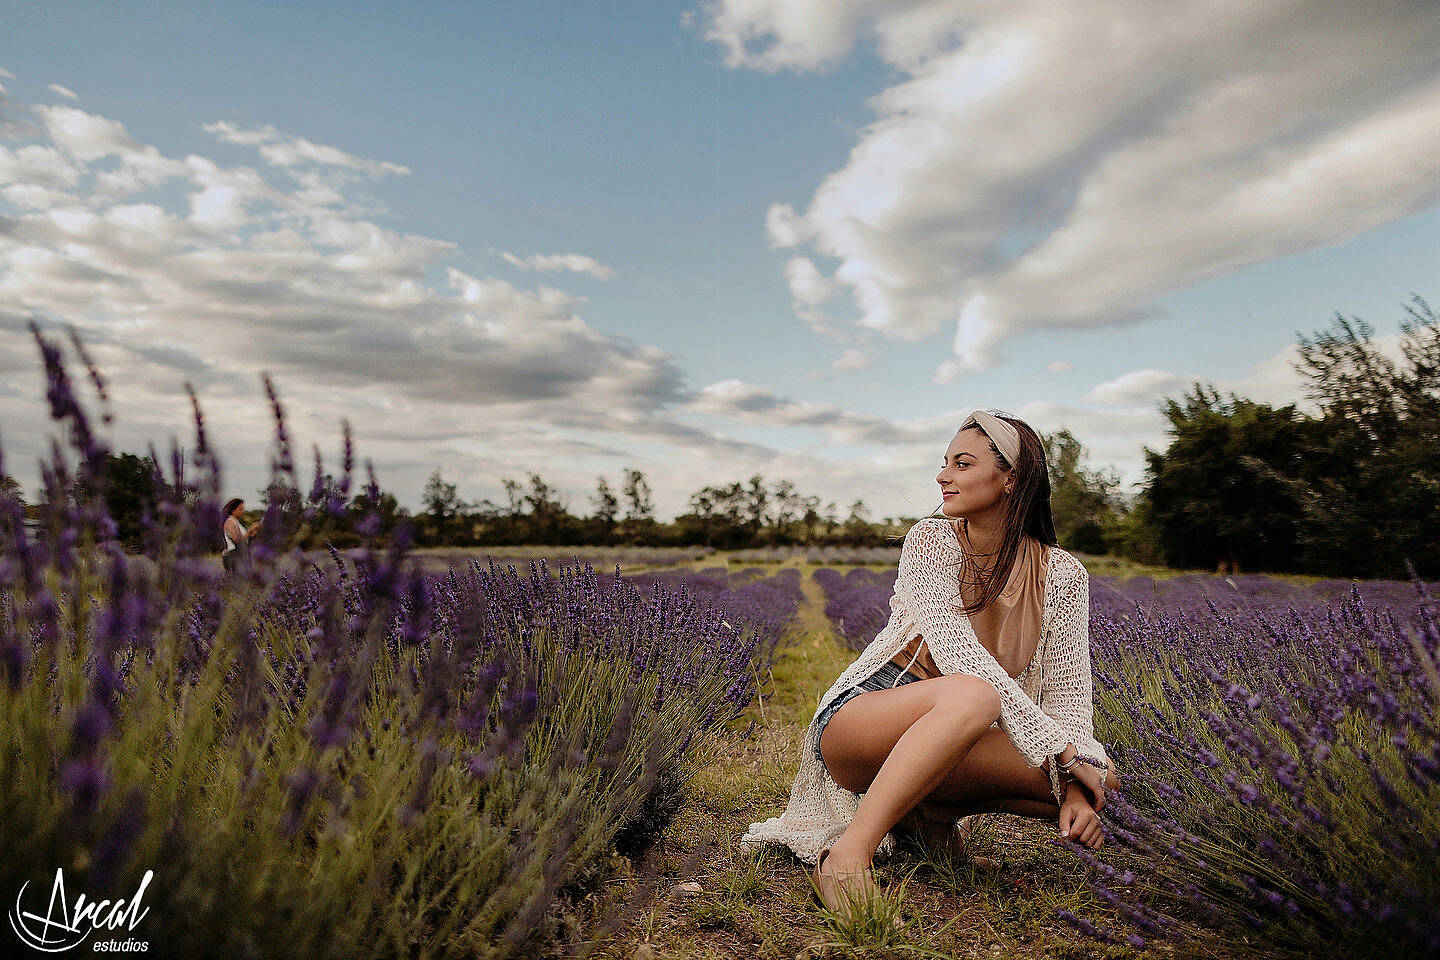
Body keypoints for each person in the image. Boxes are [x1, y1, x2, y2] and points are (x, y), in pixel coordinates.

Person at [740, 409, 1120, 923]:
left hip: (955, 734)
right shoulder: (932, 539)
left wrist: (1075, 777)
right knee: (972, 694)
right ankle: (847, 861)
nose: (943, 476)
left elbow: (1070, 697)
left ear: (1012, 478)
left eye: (962, 464)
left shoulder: (1063, 574)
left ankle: (931, 815)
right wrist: (1058, 752)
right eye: (945, 463)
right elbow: (956, 649)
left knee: (1104, 781)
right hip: (865, 723)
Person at [221, 497, 261, 573]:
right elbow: (237, 540)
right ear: (233, 510)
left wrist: (251, 533)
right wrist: (249, 531)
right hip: (233, 555)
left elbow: (243, 538)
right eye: (240, 509)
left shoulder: (235, 521)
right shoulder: (230, 521)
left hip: (240, 554)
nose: (243, 511)